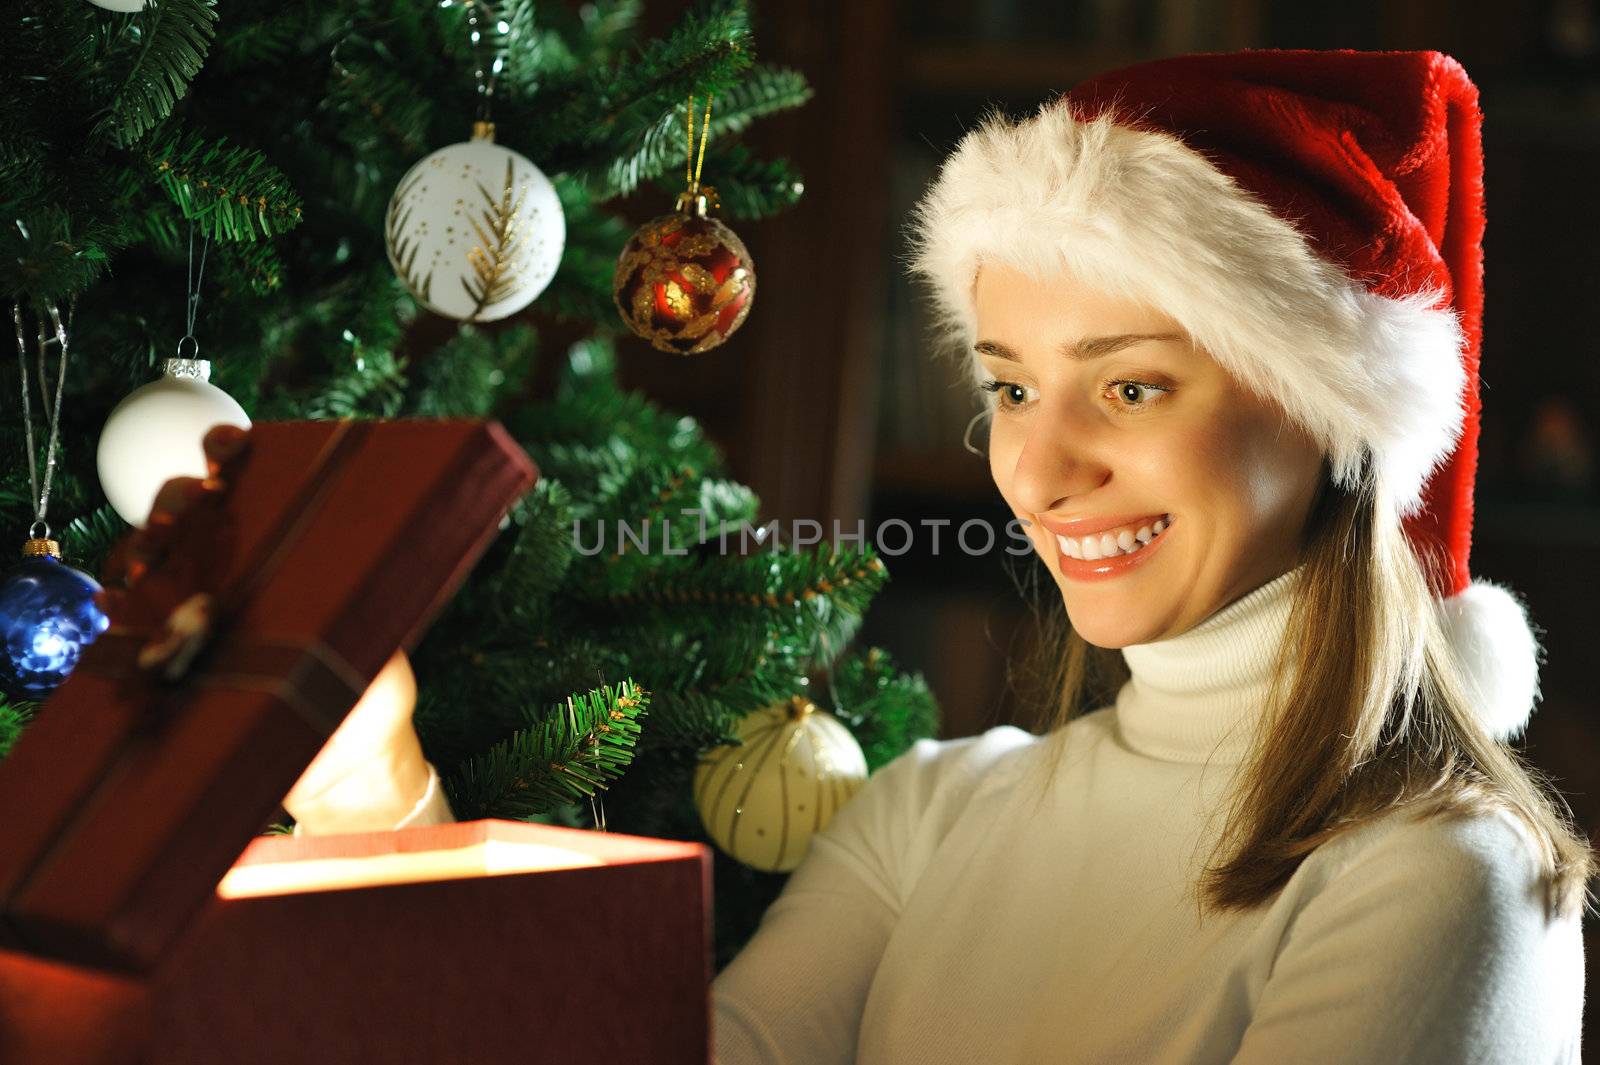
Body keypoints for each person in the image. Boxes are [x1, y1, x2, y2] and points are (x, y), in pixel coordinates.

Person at [262, 49, 1593, 1064]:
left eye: (1129, 389)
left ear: (1331, 420)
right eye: (1011, 388)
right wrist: (377, 795)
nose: (1038, 465)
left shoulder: (1443, 879)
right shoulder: (936, 811)